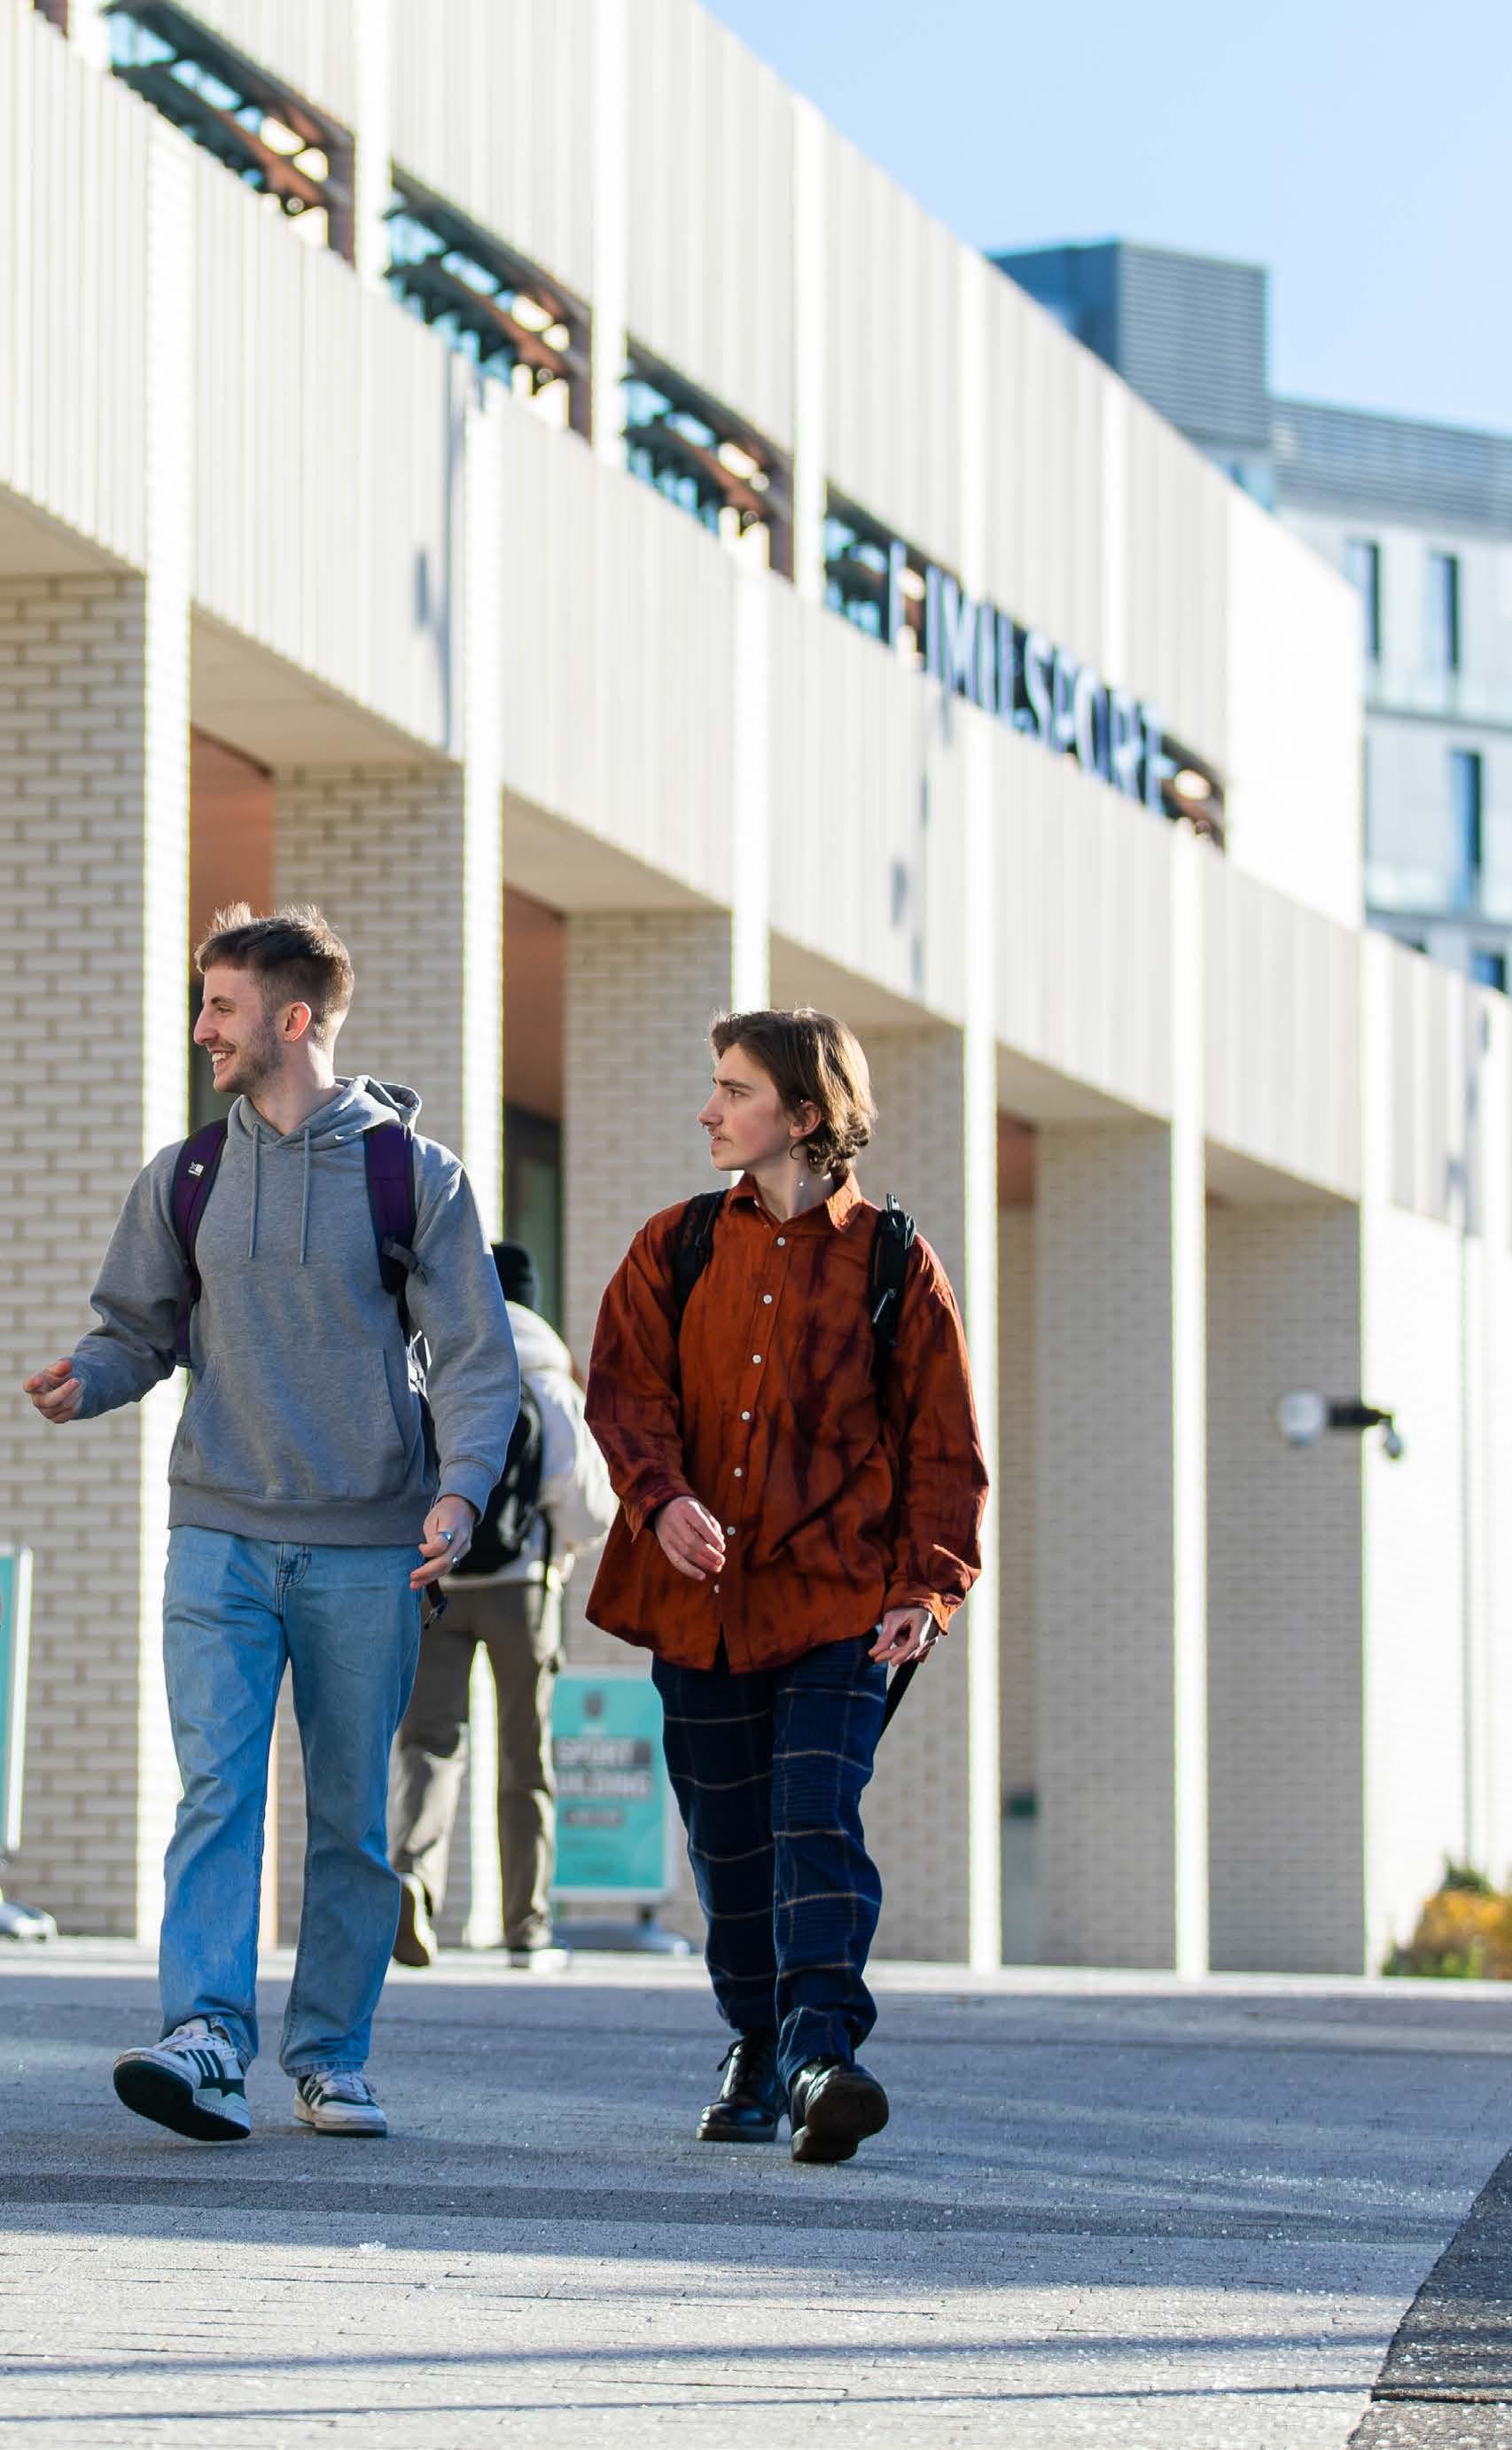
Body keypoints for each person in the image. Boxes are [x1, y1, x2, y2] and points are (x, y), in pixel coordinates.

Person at [21, 904, 518, 2142]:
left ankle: (332, 2057)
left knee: (351, 1819)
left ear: (293, 1020)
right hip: (219, 1537)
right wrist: (91, 1376)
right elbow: (137, 1329)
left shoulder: (415, 1177)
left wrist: (459, 1489)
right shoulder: (187, 1176)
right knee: (215, 1794)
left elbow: (474, 1357)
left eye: (221, 1007)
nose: (203, 1028)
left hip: (369, 1547)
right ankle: (204, 2037)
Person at [583, 1009, 986, 2164]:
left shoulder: (895, 1263)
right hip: (699, 1609)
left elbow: (944, 1445)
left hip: (839, 1603)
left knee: (814, 1814)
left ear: (804, 1115)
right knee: (727, 1844)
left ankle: (820, 2054)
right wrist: (661, 1500)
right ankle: (758, 2043)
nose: (707, 1111)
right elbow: (623, 1395)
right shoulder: (673, 1246)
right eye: (714, 1087)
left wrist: (925, 1587)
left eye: (735, 1090)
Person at [388, 1239, 615, 1973]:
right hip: (523, 1589)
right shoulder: (548, 1381)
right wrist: (558, 1548)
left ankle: (413, 1881)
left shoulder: (444, 1367)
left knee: (430, 1742)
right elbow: (586, 1506)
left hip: (438, 1585)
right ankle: (526, 1926)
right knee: (526, 1756)